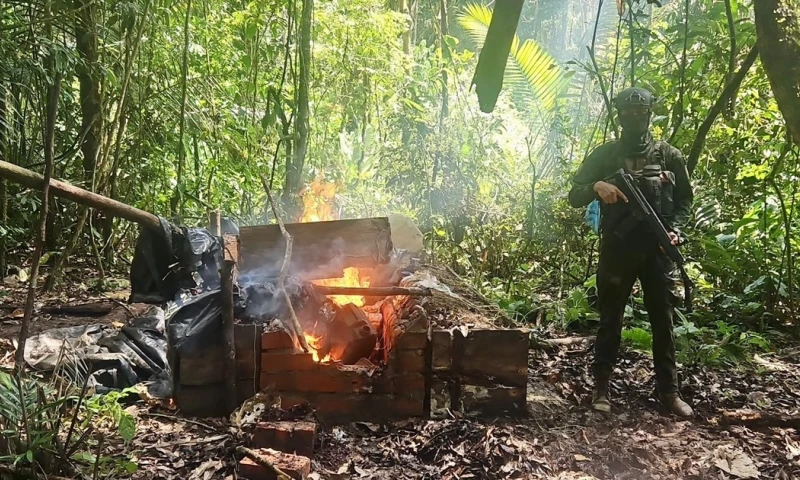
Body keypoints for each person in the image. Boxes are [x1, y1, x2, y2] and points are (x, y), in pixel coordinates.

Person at [568, 87, 694, 417]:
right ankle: (601, 389)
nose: (636, 120)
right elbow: (574, 193)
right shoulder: (605, 155)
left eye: (641, 114)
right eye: (629, 115)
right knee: (610, 320)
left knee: (662, 322)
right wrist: (597, 186)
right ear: (619, 116)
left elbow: (685, 202)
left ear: (650, 115)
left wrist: (675, 231)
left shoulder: (670, 156)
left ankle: (669, 392)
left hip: (656, 250)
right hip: (617, 250)